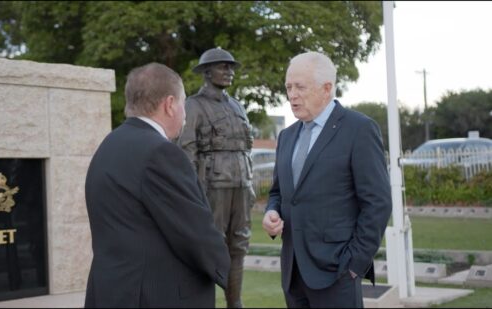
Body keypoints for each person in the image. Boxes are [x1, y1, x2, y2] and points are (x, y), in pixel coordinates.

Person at [84, 62, 230, 308]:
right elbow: (195, 232)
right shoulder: (161, 153)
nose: (185, 115)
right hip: (154, 295)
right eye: (183, 104)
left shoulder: (108, 146)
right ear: (170, 104)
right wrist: (222, 264)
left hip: (111, 291)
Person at [262, 51, 392, 308]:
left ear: (327, 88)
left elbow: (378, 203)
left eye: (300, 87)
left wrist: (353, 265)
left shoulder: (359, 129)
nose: (292, 95)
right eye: (288, 87)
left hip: (337, 274)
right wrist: (271, 212)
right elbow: (279, 193)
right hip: (293, 274)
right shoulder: (287, 137)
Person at [177, 48, 254, 308]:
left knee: (239, 244)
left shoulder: (237, 106)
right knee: (211, 245)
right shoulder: (193, 105)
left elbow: (246, 148)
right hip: (212, 186)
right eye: (223, 67)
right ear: (207, 72)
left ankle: (235, 303)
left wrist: (250, 184)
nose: (229, 71)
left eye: (231, 67)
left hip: (241, 184)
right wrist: (195, 192)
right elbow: (187, 151)